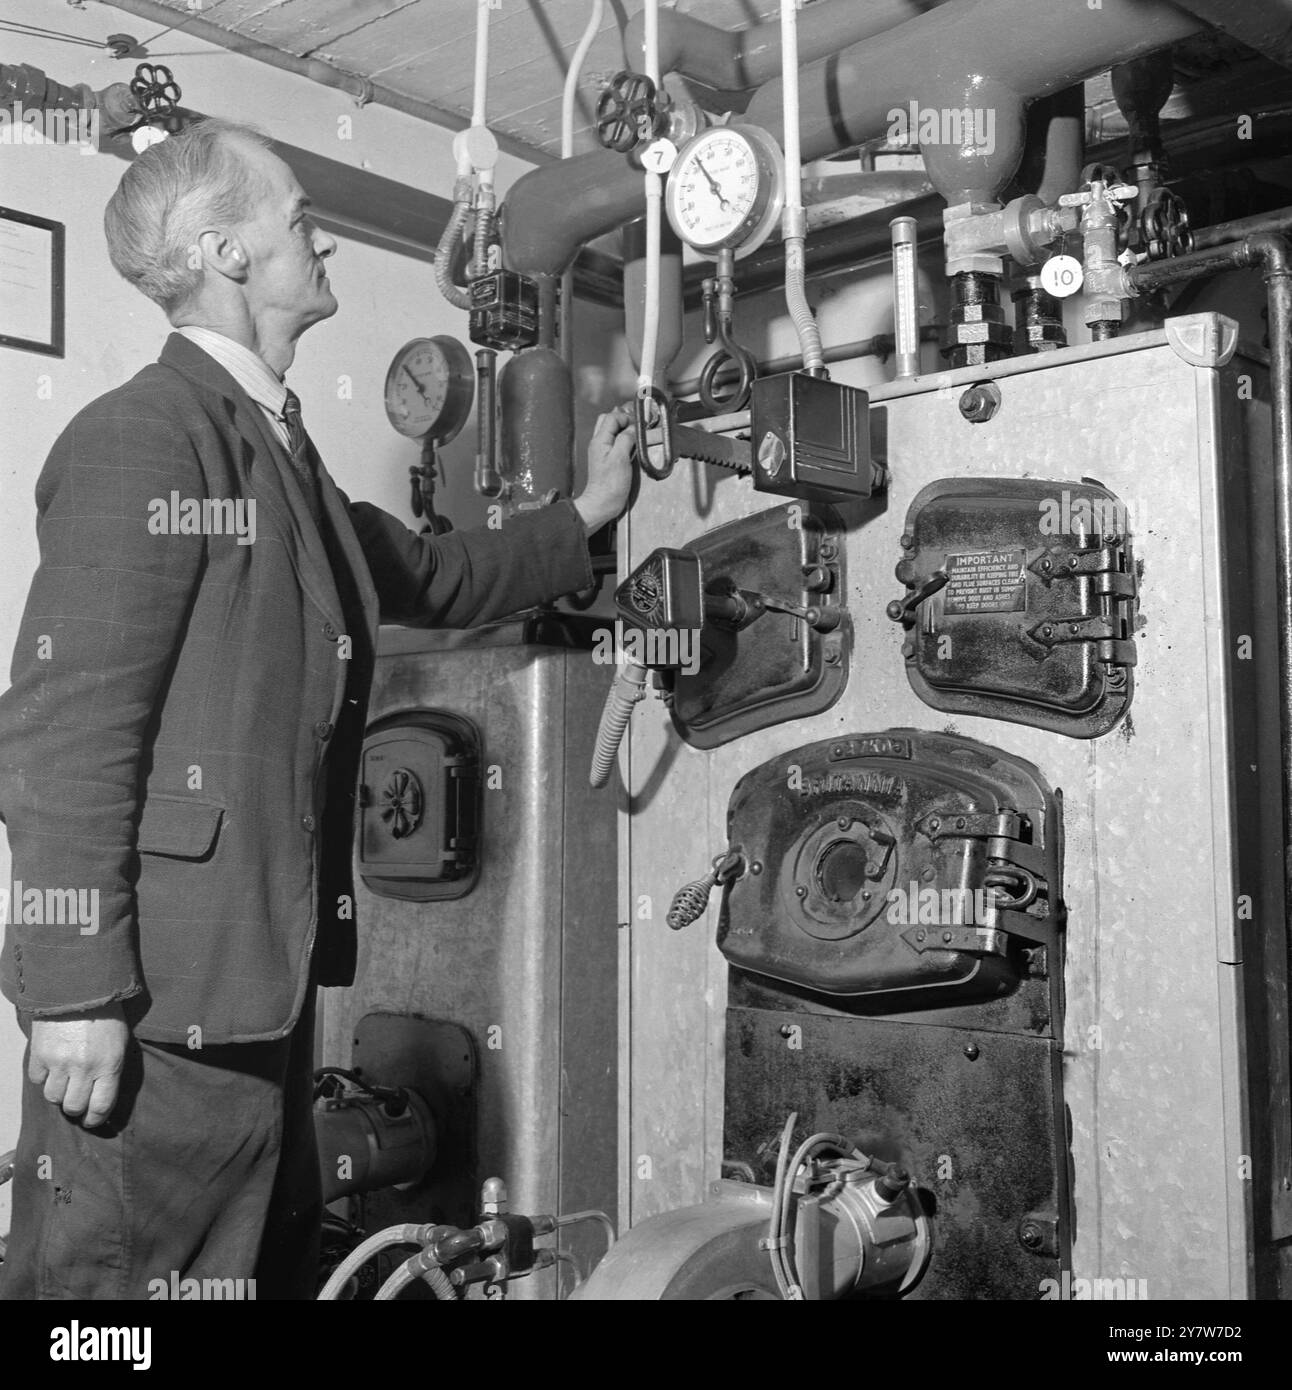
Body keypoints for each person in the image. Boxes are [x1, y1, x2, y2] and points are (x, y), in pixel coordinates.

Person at [0, 117, 634, 1299]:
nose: (320, 230)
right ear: (225, 252)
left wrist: (584, 516)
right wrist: (74, 991)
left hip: (262, 989)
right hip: (154, 1006)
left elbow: (434, 577)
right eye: (295, 212)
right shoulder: (145, 437)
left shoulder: (277, 458)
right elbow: (61, 730)